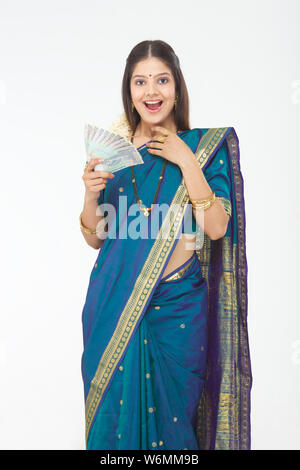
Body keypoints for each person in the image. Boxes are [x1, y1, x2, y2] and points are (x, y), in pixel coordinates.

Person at [79, 40, 252, 450]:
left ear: (177, 88)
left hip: (178, 310)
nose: (151, 92)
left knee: (176, 433)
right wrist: (89, 194)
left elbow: (215, 228)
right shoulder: (113, 157)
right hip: (113, 308)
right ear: (129, 90)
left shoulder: (203, 150)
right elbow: (94, 237)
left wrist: (186, 160)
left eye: (162, 80)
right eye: (140, 82)